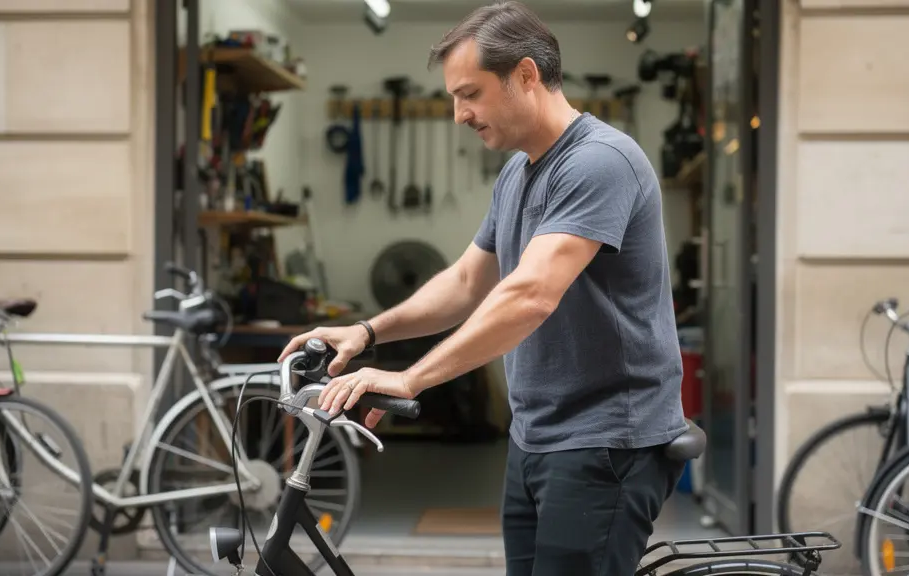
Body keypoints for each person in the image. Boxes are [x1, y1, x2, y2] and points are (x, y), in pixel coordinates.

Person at [278, 2, 688, 574]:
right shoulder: (519, 171)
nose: (457, 114)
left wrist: (409, 377)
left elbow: (530, 295)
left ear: (525, 75)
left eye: (469, 93)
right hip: (536, 435)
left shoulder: (600, 162)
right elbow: (469, 280)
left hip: (605, 441)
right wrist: (369, 331)